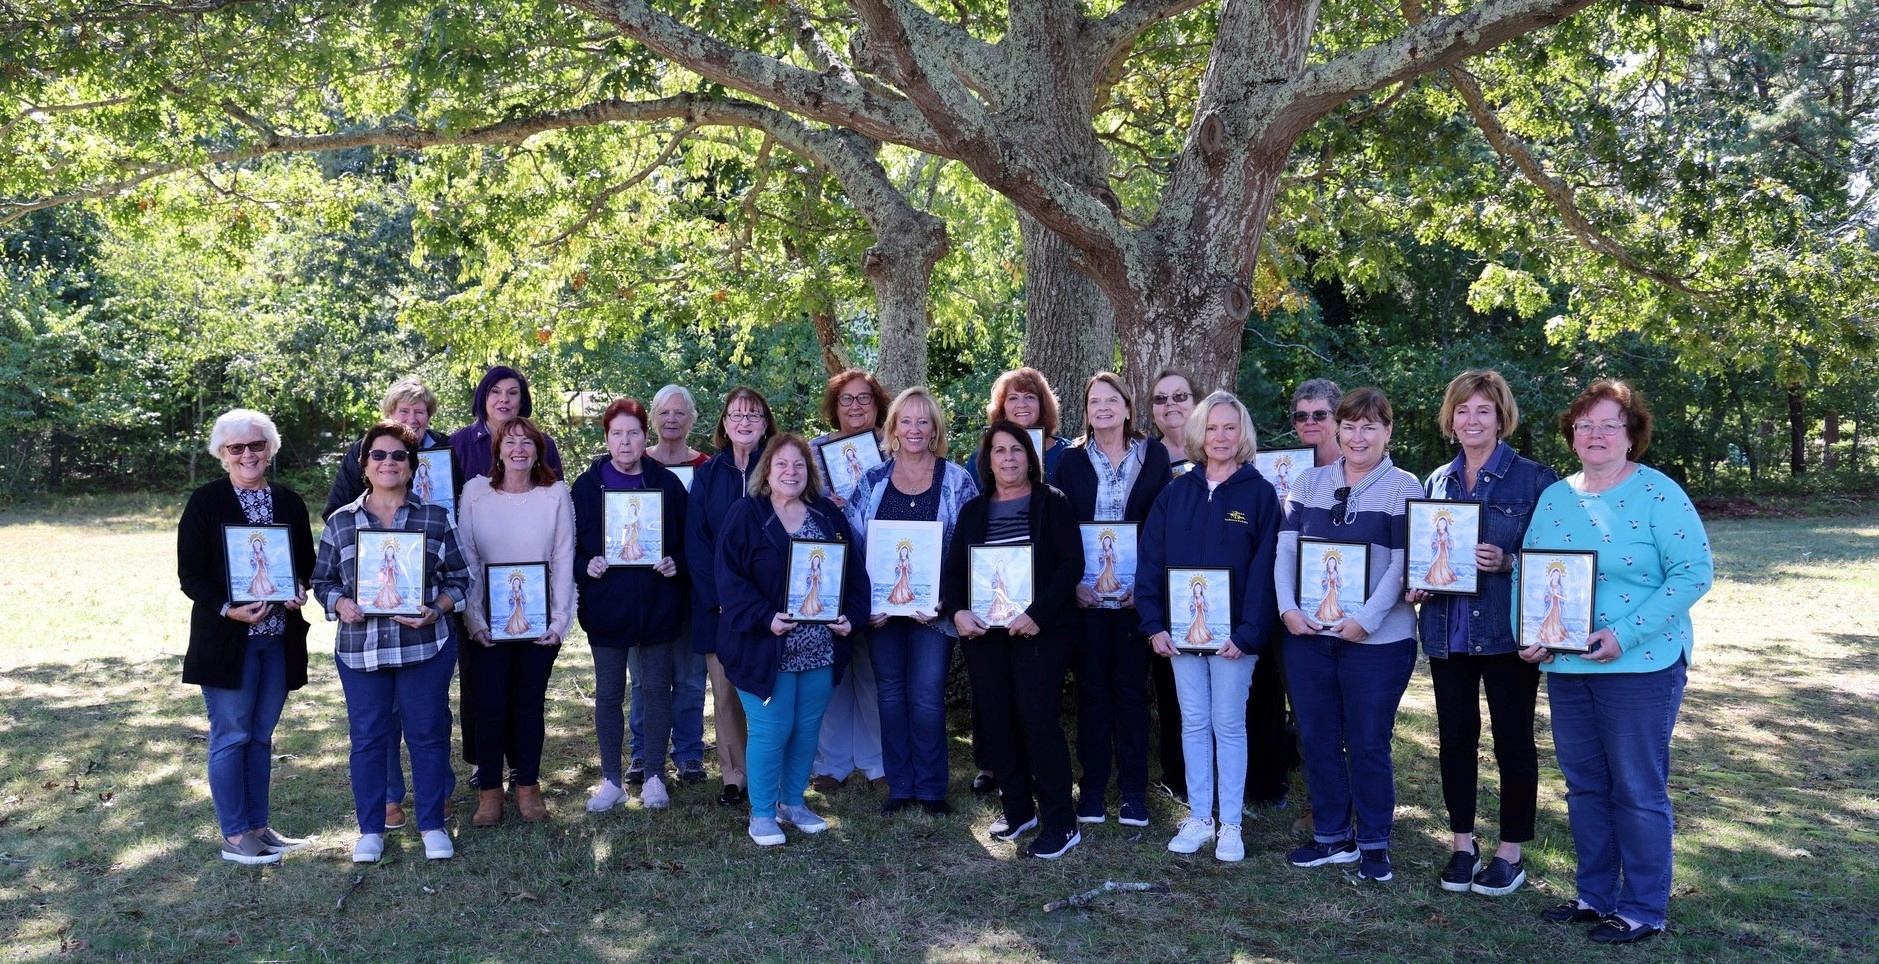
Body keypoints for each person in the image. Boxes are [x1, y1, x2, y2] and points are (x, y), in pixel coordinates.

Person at [1519, 380, 1712, 945]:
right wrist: (1530, 634)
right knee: (1583, 786)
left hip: (1641, 664)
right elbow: (1528, 572)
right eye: (1585, 425)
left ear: (1631, 436)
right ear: (1572, 435)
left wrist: (1623, 634)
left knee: (1636, 787)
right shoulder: (1555, 498)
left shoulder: (1660, 494)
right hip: (1569, 667)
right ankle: (1594, 895)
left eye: (1608, 425)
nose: (1595, 434)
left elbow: (1693, 573)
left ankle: (1643, 908)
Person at [1406, 370, 1560, 896]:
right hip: (1448, 634)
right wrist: (1419, 584)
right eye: (1462, 411)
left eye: (1483, 411)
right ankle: (1461, 844)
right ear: (1450, 419)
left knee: (1513, 741)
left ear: (1501, 418)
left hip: (1506, 636)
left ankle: (1510, 853)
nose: (1472, 421)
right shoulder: (1436, 483)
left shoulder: (1536, 481)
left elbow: (1554, 560)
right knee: (1455, 741)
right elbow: (1429, 557)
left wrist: (1510, 561)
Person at [1275, 386, 1423, 882]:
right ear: (1338, 429)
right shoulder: (1307, 482)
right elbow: (1286, 554)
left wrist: (1367, 621)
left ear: (1387, 431)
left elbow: (1404, 566)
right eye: (1351, 425)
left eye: (1370, 426)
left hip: (1378, 641)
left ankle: (1375, 841)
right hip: (1310, 635)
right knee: (1316, 737)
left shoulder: (1405, 486)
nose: (1359, 436)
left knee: (1367, 741)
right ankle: (1331, 836)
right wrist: (1289, 609)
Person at [312, 420, 470, 863]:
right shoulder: (342, 523)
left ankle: (433, 825)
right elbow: (322, 581)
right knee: (368, 739)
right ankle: (371, 829)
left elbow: (461, 579)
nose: (388, 463)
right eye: (378, 455)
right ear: (364, 465)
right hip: (361, 649)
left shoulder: (435, 518)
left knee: (428, 734)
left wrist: (436, 609)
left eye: (398, 456)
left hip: (424, 648)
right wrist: (339, 604)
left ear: (412, 466)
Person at [1136, 391, 1282, 863]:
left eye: (1230, 428)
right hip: (1180, 638)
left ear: (1243, 434)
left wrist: (1248, 633)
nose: (1221, 437)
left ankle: (1231, 825)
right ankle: (1200, 817)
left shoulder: (1259, 495)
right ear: (1199, 434)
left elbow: (1265, 569)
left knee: (1228, 724)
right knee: (1194, 722)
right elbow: (1151, 560)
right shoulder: (1175, 493)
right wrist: (1154, 622)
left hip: (1234, 641)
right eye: (1212, 428)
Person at [177, 409, 316, 865]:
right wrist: (228, 609)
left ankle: (259, 826)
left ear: (270, 448)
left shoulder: (290, 502)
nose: (247, 454)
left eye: (256, 445)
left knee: (261, 736)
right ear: (222, 453)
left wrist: (298, 588)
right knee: (232, 735)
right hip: (227, 641)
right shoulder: (206, 501)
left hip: (277, 638)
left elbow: (305, 565)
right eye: (236, 447)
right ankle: (235, 836)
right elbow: (191, 576)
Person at [715, 434, 868, 846]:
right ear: (767, 469)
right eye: (782, 464)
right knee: (771, 728)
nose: (791, 472)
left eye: (799, 465)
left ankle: (793, 803)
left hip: (819, 646)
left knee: (806, 728)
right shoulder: (746, 514)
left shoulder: (827, 516)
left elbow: (854, 575)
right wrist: (766, 618)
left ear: (810, 472)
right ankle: (762, 813)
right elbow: (729, 581)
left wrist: (852, 618)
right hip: (764, 646)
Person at [943, 422, 1085, 859]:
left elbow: (1071, 567)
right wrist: (957, 611)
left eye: (1016, 450)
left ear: (1031, 457)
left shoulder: (1052, 503)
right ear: (987, 461)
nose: (1008, 458)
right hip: (986, 635)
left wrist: (1035, 614)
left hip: (1039, 632)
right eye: (999, 451)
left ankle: (1062, 822)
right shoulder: (973, 510)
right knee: (998, 720)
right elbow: (953, 572)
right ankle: (1018, 809)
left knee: (1037, 720)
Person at [843, 387, 979, 815]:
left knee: (925, 694)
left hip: (934, 613)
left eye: (924, 421)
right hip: (882, 613)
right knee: (890, 694)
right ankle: (900, 786)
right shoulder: (871, 482)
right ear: (893, 429)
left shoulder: (957, 480)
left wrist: (947, 600)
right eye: (907, 421)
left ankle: (933, 789)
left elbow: (969, 550)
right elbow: (853, 545)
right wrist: (866, 605)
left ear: (935, 427)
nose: (915, 429)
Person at [1053, 372, 1170, 828]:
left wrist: (1146, 588)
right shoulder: (1068, 460)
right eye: (1093, 401)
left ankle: (1135, 792)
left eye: (1111, 400)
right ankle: (1095, 787)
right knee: (1092, 692)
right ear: (1086, 411)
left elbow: (1161, 527)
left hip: (1133, 600)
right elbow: (1060, 530)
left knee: (1131, 693)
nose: (1102, 408)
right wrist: (1072, 586)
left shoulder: (1153, 456)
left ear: (1127, 408)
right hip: (1085, 599)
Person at [573, 398, 691, 813]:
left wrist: (678, 561)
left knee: (658, 689)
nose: (626, 442)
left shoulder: (668, 485)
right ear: (606, 438)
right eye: (617, 434)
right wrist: (585, 564)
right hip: (607, 606)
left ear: (646, 437)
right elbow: (568, 548)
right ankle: (610, 780)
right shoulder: (586, 487)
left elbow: (687, 541)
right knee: (608, 694)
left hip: (657, 604)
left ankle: (655, 776)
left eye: (633, 433)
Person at [457, 416, 576, 826]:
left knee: (527, 705)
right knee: (488, 706)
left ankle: (527, 786)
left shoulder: (555, 494)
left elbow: (563, 559)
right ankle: (489, 791)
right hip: (487, 624)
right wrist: (473, 620)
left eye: (527, 442)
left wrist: (559, 621)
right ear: (498, 449)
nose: (519, 449)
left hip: (538, 623)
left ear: (538, 450)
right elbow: (468, 559)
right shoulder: (475, 492)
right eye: (510, 442)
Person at [685, 387, 777, 807]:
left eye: (753, 416)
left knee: (764, 691)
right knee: (724, 693)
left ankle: (767, 774)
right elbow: (696, 541)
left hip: (767, 604)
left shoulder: (777, 468)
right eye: (736, 415)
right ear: (723, 423)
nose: (744, 422)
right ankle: (734, 775)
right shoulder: (708, 473)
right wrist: (720, 597)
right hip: (717, 606)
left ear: (764, 425)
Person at [809, 368, 891, 794]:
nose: (856, 406)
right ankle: (832, 762)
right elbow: (793, 498)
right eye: (847, 399)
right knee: (833, 669)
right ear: (834, 407)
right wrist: (824, 498)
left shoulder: (894, 449)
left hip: (880, 575)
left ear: (878, 406)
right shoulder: (814, 452)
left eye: (864, 399)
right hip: (829, 577)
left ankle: (877, 763)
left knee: (873, 671)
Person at [638, 384, 711, 789]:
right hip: (643, 590)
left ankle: (688, 755)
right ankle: (641, 755)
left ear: (691, 420)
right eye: (664, 412)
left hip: (691, 588)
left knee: (687, 678)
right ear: (652, 418)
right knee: (643, 679)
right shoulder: (636, 463)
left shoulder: (707, 467)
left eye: (679, 413)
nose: (671, 420)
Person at [1146, 369, 1198, 797]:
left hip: (1222, 588)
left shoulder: (1220, 448)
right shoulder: (1148, 459)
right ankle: (1176, 775)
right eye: (1161, 399)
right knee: (1171, 685)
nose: (1171, 405)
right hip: (1167, 588)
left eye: (1180, 396)